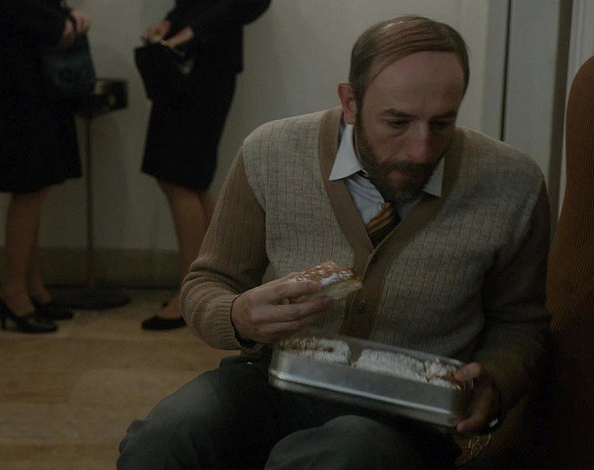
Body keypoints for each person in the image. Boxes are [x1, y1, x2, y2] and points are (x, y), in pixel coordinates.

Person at [118, 15, 551, 469]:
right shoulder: (271, 152)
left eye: (442, 123)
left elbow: (521, 322)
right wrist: (237, 315)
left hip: (409, 416)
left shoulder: (512, 184)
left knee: (344, 454)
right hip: (274, 379)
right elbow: (207, 282)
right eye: (397, 122)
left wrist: (496, 379)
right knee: (166, 438)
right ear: (350, 102)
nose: (421, 149)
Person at [138, 0, 271, 330]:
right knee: (188, 180)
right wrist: (171, 23)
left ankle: (191, 295)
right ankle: (212, 286)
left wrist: (190, 32)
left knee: (180, 179)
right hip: (190, 64)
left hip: (203, 65)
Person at [0, 0, 90, 333]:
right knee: (29, 184)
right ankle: (13, 290)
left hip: (37, 69)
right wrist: (57, 24)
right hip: (16, 72)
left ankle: (30, 286)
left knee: (39, 182)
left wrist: (65, 14)